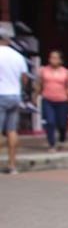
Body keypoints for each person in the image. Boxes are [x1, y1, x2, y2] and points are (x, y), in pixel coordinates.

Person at [0, 27, 29, 174]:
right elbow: (24, 77)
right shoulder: (18, 56)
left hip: (1, 94)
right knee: (11, 131)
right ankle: (12, 165)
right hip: (15, 95)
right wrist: (21, 88)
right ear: (7, 40)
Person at [37, 50, 68, 153]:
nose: (53, 60)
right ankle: (51, 144)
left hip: (62, 100)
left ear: (60, 60)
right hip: (48, 100)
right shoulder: (43, 70)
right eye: (51, 57)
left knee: (62, 123)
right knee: (50, 122)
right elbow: (39, 84)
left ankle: (62, 139)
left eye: (55, 58)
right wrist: (35, 95)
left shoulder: (65, 72)